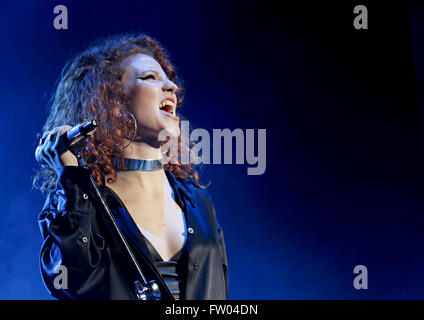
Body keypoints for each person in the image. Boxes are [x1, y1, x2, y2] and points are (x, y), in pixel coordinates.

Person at [33, 33, 228, 300]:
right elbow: (68, 279)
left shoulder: (199, 203)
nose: (171, 86)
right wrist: (71, 176)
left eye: (168, 79)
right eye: (150, 77)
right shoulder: (81, 202)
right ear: (111, 102)